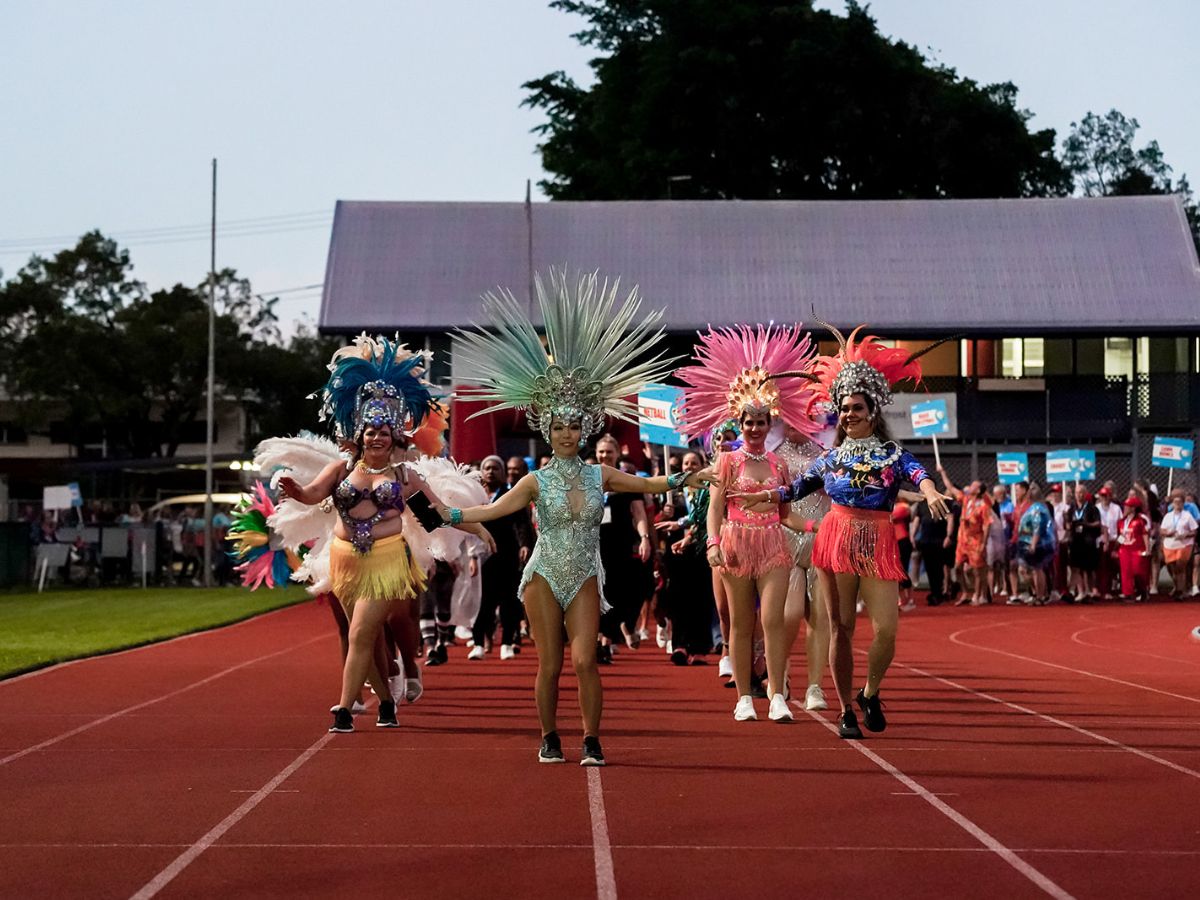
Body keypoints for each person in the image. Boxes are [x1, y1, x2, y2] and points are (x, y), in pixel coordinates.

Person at [446, 267, 708, 766]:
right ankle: (549, 736)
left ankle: (590, 737)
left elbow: (648, 484)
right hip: (544, 573)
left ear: (585, 429)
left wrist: (682, 479)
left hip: (586, 572)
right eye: (559, 426)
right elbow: (494, 509)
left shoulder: (599, 476)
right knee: (549, 665)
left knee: (586, 659)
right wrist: (450, 512)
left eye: (573, 426)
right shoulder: (534, 481)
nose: (567, 434)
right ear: (548, 430)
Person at [738, 322, 950, 739]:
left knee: (886, 629)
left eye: (856, 408)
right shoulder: (830, 457)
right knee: (841, 627)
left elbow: (917, 472)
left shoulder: (892, 453)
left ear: (872, 410)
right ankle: (845, 708)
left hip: (879, 541)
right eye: (844, 408)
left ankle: (870, 691)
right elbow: (797, 488)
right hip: (835, 540)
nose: (849, 414)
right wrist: (768, 496)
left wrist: (930, 491)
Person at [278, 336, 494, 733]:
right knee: (366, 640)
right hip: (343, 559)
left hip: (386, 562)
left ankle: (344, 710)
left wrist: (476, 524)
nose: (376, 437)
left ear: (395, 436)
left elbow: (439, 515)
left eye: (383, 431)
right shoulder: (341, 471)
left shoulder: (405, 476)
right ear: (358, 435)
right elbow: (311, 496)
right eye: (369, 430)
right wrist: (292, 489)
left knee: (361, 632)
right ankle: (387, 704)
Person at [676, 324, 824, 723]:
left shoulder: (778, 464)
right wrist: (711, 543)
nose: (755, 428)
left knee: (772, 621)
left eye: (761, 421)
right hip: (735, 545)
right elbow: (715, 508)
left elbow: (785, 513)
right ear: (738, 422)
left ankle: (777, 694)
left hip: (774, 544)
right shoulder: (725, 462)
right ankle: (744, 696)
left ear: (770, 421)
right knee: (740, 624)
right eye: (748, 421)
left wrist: (814, 529)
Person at [775, 423, 833, 709]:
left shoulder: (827, 453)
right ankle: (780, 668)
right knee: (791, 613)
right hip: (788, 539)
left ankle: (814, 687)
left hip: (821, 542)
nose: (793, 426)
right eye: (788, 420)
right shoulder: (775, 455)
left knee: (821, 617)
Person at [468, 455, 535, 660]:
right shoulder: (475, 497)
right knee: (483, 602)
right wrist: (471, 555)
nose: (490, 472)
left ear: (503, 472)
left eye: (496, 468)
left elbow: (521, 522)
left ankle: (507, 642)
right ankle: (478, 642)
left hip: (507, 554)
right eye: (487, 468)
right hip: (481, 555)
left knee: (509, 602)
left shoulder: (511, 494)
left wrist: (524, 544)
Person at [1015, 483, 1055, 605]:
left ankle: (1040, 595)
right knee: (1025, 569)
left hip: (1039, 544)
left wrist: (1033, 543)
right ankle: (1037, 593)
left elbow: (1038, 527)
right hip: (1027, 542)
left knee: (1037, 569)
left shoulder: (1038, 508)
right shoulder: (1034, 507)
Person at [1160, 492, 1197, 600]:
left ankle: (1181, 590)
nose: (1177, 504)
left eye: (1180, 502)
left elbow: (1194, 530)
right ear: (1172, 503)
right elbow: (1162, 530)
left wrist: (1186, 535)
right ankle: (1177, 587)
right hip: (1170, 544)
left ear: (1183, 503)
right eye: (1175, 502)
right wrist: (1167, 533)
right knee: (1172, 567)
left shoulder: (1187, 515)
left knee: (1180, 566)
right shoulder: (1168, 516)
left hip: (1184, 544)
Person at [1066, 490, 1102, 602]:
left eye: (1081, 493)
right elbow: (1067, 523)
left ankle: (1090, 591)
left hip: (1088, 541)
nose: (1079, 495)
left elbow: (1098, 523)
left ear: (1085, 494)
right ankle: (1080, 592)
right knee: (1076, 567)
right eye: (1077, 493)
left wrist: (1087, 524)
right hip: (1075, 541)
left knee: (1088, 568)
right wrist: (1069, 525)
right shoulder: (1072, 508)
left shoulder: (1092, 508)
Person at [1117, 496, 1152, 601]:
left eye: (1127, 507)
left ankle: (1143, 590)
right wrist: (1116, 548)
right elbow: (1121, 536)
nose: (1125, 508)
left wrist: (1147, 549)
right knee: (1125, 572)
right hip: (1125, 549)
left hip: (1137, 549)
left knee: (1139, 571)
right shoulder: (1122, 522)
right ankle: (1128, 593)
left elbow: (1145, 535)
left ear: (1133, 508)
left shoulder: (1140, 521)